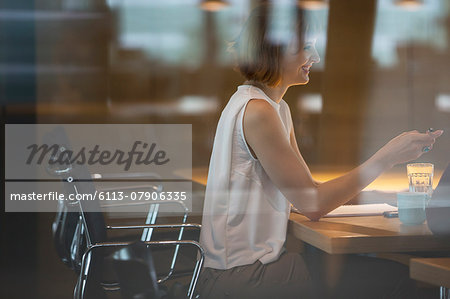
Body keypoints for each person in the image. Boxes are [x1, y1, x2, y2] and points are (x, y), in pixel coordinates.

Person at [197, 3, 443, 299]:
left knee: (377, 272)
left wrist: (377, 197)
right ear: (275, 50)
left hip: (244, 269)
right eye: (306, 47)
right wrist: (388, 156)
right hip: (243, 276)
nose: (314, 57)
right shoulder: (258, 111)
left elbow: (307, 191)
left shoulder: (273, 107)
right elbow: (312, 204)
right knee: (394, 278)